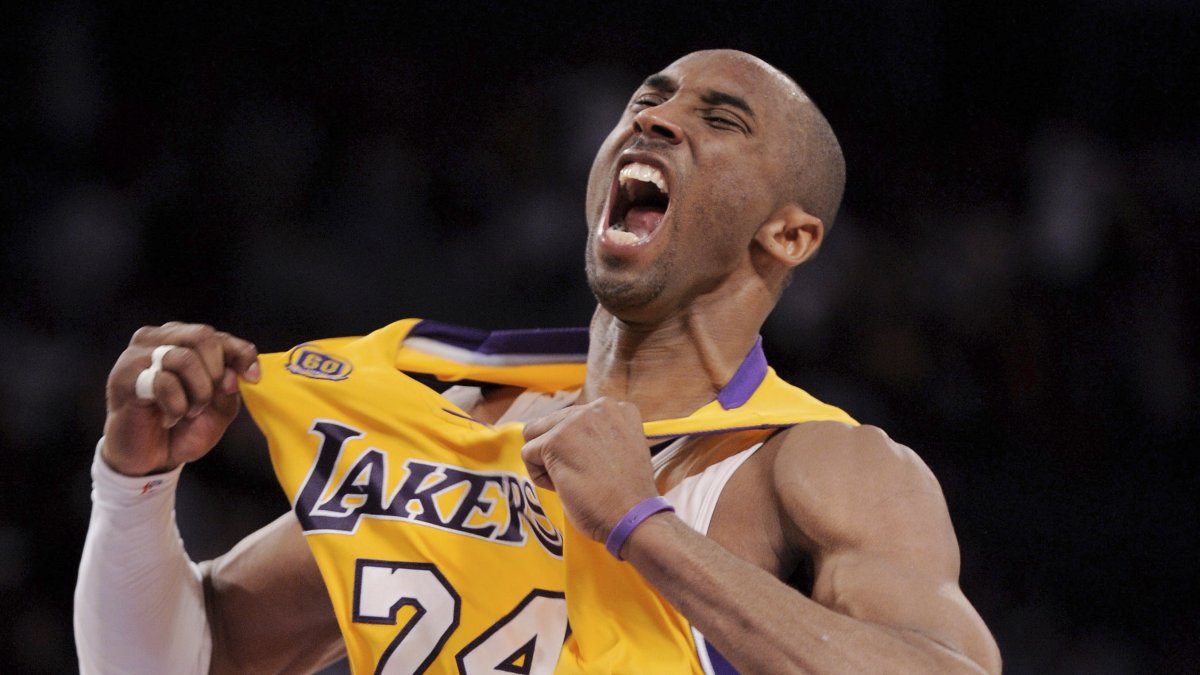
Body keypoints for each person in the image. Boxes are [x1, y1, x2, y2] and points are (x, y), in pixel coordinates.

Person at [75, 49, 1001, 674]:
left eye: (718, 119)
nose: (659, 121)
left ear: (789, 233)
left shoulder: (819, 462)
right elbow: (184, 660)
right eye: (647, 102)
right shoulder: (455, 423)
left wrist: (640, 524)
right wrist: (134, 487)